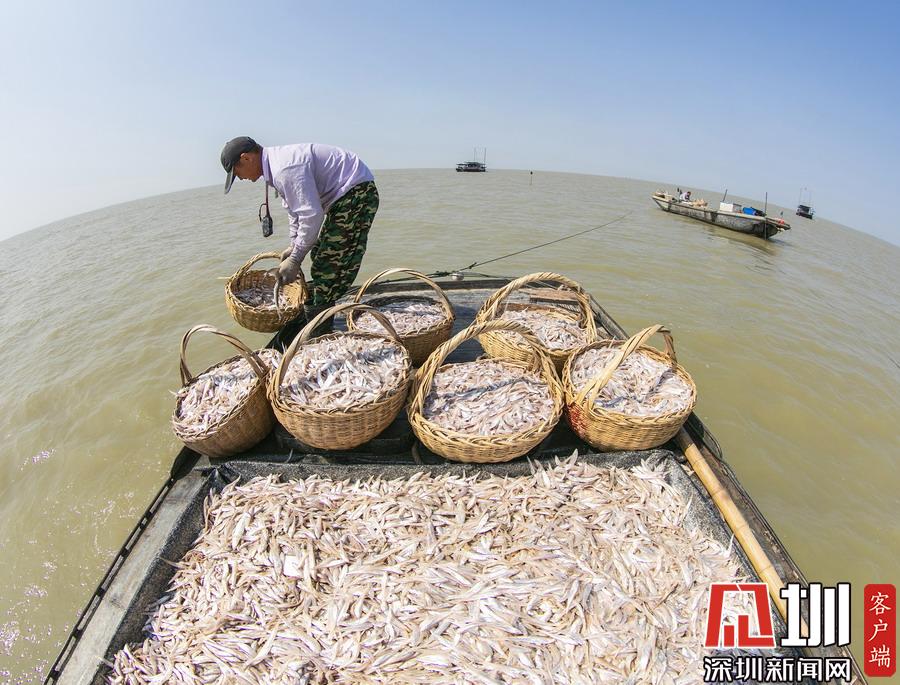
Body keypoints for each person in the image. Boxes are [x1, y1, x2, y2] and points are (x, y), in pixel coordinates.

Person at [220, 137, 379, 336]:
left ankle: (320, 331)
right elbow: (294, 211)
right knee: (320, 254)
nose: (240, 178)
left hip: (357, 192)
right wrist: (293, 245)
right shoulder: (276, 167)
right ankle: (321, 313)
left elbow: (311, 215)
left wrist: (295, 259)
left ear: (246, 158)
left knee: (328, 264)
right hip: (344, 195)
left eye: (237, 172)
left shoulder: (284, 169)